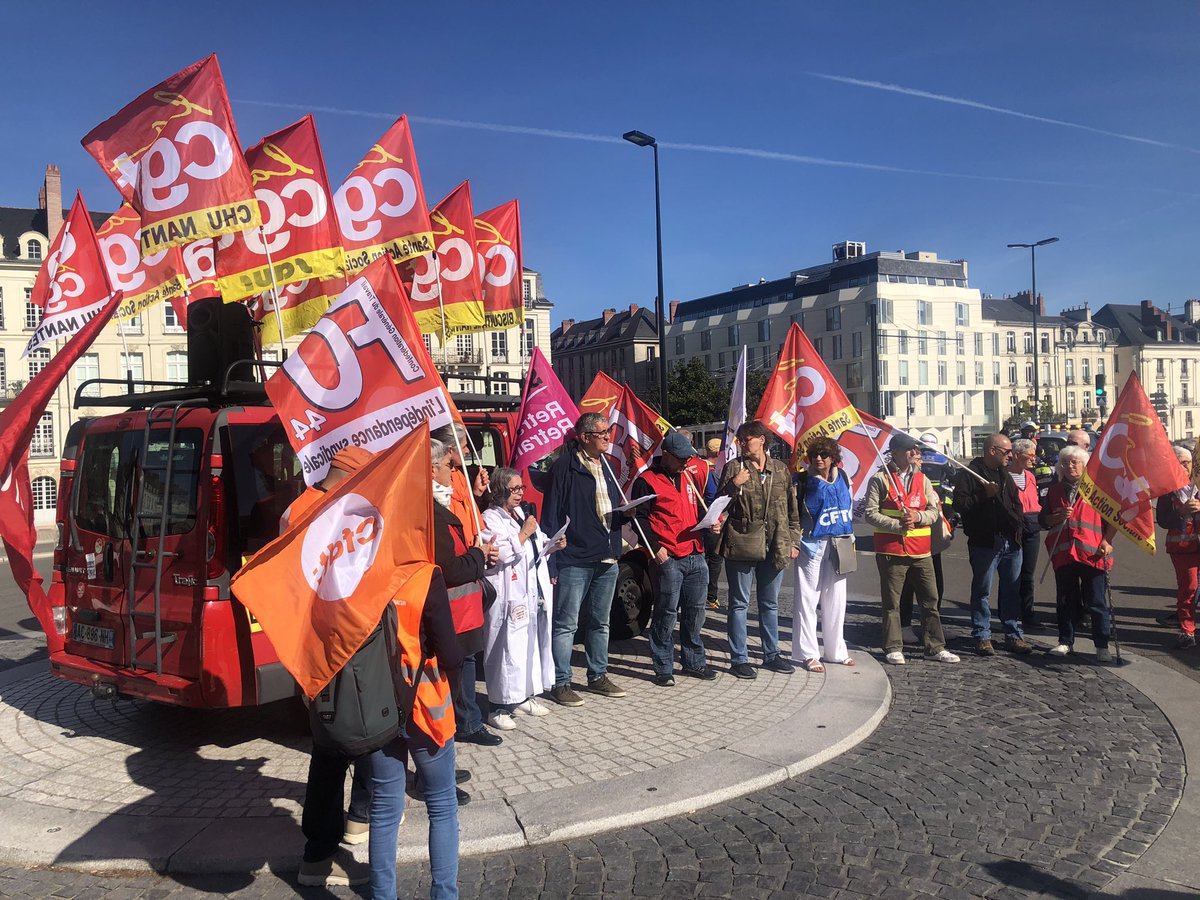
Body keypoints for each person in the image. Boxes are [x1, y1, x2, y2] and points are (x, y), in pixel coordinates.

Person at [540, 411, 630, 705]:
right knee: (567, 623)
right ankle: (561, 681)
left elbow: (607, 509)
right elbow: (551, 514)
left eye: (608, 432)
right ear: (585, 437)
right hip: (575, 557)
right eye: (603, 433)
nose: (608, 437)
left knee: (600, 622)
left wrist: (625, 518)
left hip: (606, 555)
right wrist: (552, 558)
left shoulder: (607, 466)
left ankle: (597, 676)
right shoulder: (565, 467)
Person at [480, 467, 565, 729]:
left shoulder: (519, 514)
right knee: (504, 649)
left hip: (529, 592)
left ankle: (522, 696)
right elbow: (501, 553)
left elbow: (534, 547)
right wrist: (526, 532)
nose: (519, 493)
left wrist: (553, 543)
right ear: (500, 490)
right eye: (514, 489)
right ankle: (497, 706)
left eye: (521, 488)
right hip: (507, 594)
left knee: (527, 646)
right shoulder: (489, 518)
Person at [864, 432, 959, 665]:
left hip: (921, 550)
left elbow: (934, 510)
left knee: (930, 600)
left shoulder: (922, 479)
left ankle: (934, 647)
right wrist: (897, 525)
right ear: (895, 453)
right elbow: (870, 513)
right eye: (910, 450)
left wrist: (918, 516)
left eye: (915, 450)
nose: (915, 453)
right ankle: (893, 646)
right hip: (892, 549)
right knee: (892, 603)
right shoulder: (880, 478)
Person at [432, 437, 502, 750]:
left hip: (463, 599)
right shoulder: (430, 508)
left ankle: (466, 722)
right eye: (451, 456)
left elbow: (467, 518)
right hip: (452, 601)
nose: (457, 459)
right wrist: (477, 554)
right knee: (455, 670)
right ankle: (458, 731)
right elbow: (448, 566)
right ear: (433, 469)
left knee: (466, 663)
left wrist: (476, 496)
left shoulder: (451, 486)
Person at [716, 420, 800, 678]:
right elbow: (719, 506)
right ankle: (739, 658)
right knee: (739, 603)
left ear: (762, 439)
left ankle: (771, 654)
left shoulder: (780, 469)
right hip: (741, 542)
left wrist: (794, 541)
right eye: (740, 440)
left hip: (775, 543)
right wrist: (734, 485)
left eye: (747, 438)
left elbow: (791, 510)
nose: (743, 443)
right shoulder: (734, 467)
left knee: (770, 603)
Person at [633, 430, 718, 686]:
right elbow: (639, 518)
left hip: (695, 552)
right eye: (681, 458)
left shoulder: (689, 476)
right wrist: (655, 548)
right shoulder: (647, 480)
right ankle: (663, 666)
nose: (685, 462)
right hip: (668, 556)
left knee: (695, 612)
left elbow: (697, 509)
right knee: (666, 612)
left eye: (688, 458)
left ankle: (694, 661)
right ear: (666, 455)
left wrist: (710, 524)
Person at [953, 432, 1032, 656]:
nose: (1010, 455)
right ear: (992, 451)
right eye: (1007, 452)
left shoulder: (1004, 473)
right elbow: (960, 504)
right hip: (985, 541)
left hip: (1010, 540)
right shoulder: (969, 474)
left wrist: (1020, 526)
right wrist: (984, 495)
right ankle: (982, 634)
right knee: (982, 590)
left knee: (1011, 590)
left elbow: (1015, 502)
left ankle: (1013, 633)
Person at [1040, 445, 1116, 662]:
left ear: (1084, 465)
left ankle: (1102, 645)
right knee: (1065, 600)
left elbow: (1113, 519)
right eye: (1066, 462)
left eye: (1075, 462)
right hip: (1064, 554)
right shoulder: (1054, 490)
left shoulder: (1097, 489)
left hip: (1092, 553)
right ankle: (1065, 641)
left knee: (1096, 602)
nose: (1070, 466)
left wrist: (1107, 540)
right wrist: (1056, 517)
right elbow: (1043, 520)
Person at [792, 436, 856, 672]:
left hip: (840, 542)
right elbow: (793, 512)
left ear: (833, 458)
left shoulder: (844, 477)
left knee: (837, 599)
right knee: (807, 598)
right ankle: (808, 653)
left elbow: (849, 507)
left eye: (824, 455)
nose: (818, 459)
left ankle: (836, 650)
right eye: (814, 455)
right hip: (811, 543)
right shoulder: (802, 480)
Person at [1156, 446, 1200, 649]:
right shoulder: (1167, 492)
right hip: (1182, 548)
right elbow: (1163, 520)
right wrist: (1181, 512)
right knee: (1189, 587)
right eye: (1179, 463)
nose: (1184, 467)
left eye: (1187, 463)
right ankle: (1187, 630)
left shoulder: (1198, 486)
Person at [1009, 438, 1044, 630]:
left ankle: (1028, 612)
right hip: (1014, 529)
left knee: (1028, 574)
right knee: (1011, 574)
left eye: (1034, 454)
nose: (1034, 458)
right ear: (1016, 455)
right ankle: (1010, 612)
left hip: (1032, 527)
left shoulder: (1030, 476)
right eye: (1030, 455)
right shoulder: (1005, 476)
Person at [703, 437, 725, 611]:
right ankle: (711, 595)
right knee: (715, 558)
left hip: (700, 519)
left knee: (704, 557)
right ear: (718, 453)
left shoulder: (700, 468)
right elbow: (712, 496)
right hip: (711, 519)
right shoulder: (713, 471)